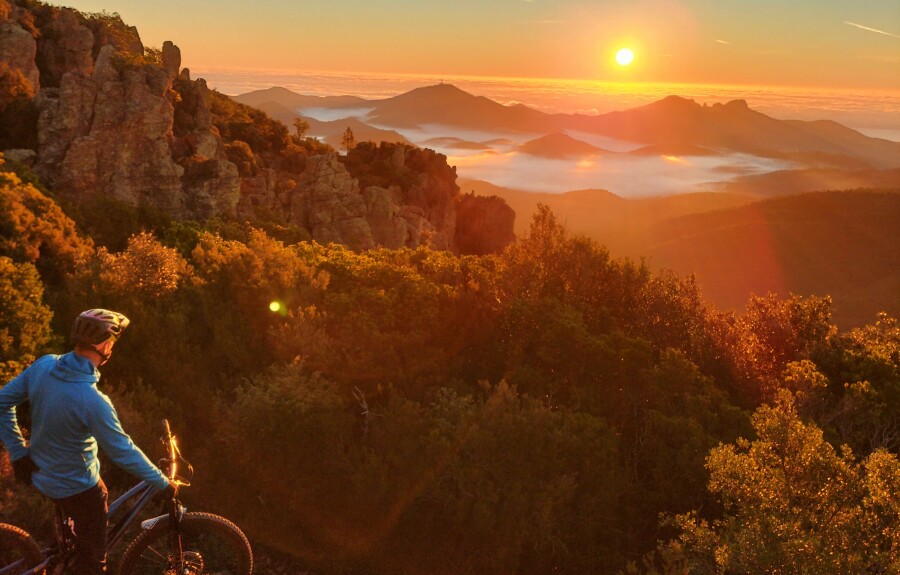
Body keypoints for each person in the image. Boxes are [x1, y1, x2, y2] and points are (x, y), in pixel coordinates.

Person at [0, 308, 175, 575]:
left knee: (72, 538)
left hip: (40, 473)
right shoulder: (92, 400)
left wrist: (17, 452)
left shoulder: (45, 365)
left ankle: (60, 553)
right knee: (93, 561)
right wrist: (161, 481)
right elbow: (122, 450)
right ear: (104, 345)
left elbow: (2, 402)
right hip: (77, 487)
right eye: (112, 343)